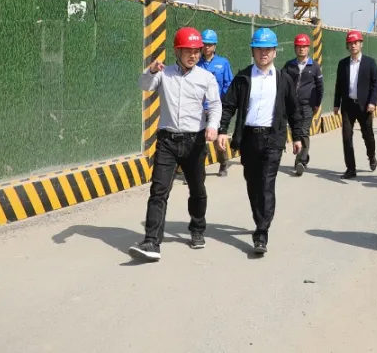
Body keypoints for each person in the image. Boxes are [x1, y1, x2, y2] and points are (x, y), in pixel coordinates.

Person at [129, 27, 220, 262]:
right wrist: (150, 71)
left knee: (197, 189)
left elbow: (214, 105)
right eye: (188, 51)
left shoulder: (206, 78)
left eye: (196, 51)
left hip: (194, 141)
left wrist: (213, 126)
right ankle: (151, 241)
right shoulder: (164, 74)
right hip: (167, 140)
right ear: (177, 51)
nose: (193, 55)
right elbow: (144, 85)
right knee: (158, 190)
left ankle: (197, 229)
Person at [217, 28, 303, 255]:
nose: (263, 53)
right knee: (252, 183)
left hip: (273, 138)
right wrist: (222, 130)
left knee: (266, 184)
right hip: (249, 138)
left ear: (274, 52)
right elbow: (228, 105)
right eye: (259, 49)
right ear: (253, 51)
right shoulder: (243, 78)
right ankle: (260, 218)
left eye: (267, 49)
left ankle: (261, 233)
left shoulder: (283, 79)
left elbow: (294, 110)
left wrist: (297, 136)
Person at [333, 30, 377, 179]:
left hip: (365, 106)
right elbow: (339, 85)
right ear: (347, 46)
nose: (353, 46)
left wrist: (372, 102)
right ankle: (351, 168)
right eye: (350, 43)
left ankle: (371, 156)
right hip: (348, 106)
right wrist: (336, 104)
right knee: (346, 137)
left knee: (368, 135)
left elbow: (375, 84)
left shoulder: (370, 62)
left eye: (355, 43)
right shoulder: (343, 64)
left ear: (361, 44)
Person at [281, 33, 324, 176]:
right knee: (296, 132)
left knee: (304, 132)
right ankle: (303, 155)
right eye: (299, 46)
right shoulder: (289, 66)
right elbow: (282, 84)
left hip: (307, 105)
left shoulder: (314, 66)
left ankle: (301, 161)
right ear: (295, 48)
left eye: (304, 46)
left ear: (308, 48)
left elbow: (320, 87)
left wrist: (317, 104)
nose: (302, 49)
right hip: (292, 106)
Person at [198, 29, 234, 176]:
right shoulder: (196, 63)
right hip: (199, 109)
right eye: (204, 44)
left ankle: (223, 163)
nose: (207, 47)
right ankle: (197, 170)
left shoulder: (223, 63)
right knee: (197, 141)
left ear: (215, 46)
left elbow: (228, 84)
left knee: (218, 139)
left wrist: (223, 103)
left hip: (216, 108)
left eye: (210, 44)